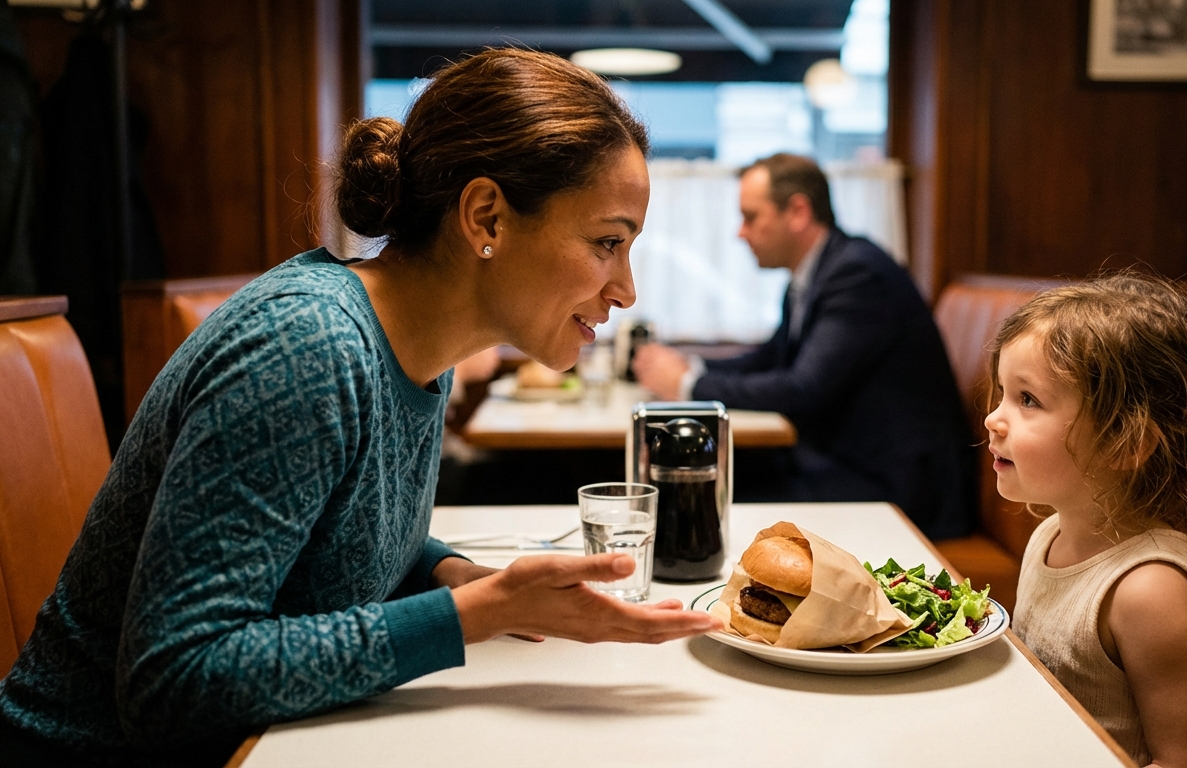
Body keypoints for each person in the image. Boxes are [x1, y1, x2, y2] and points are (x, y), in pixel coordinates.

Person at [0, 49, 718, 767]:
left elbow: (339, 534)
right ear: (486, 217)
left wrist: (449, 574)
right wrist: (476, 614)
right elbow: (171, 684)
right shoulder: (307, 343)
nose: (626, 289)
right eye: (607, 242)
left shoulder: (420, 342)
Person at [633, 153, 975, 539]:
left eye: (751, 217)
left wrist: (688, 385)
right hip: (844, 463)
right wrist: (691, 366)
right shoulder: (817, 273)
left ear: (797, 212)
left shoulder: (857, 274)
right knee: (704, 483)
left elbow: (804, 388)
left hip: (898, 488)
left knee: (709, 495)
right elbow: (770, 358)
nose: (740, 233)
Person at [985, 274, 1187, 766]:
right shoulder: (1049, 535)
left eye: (1027, 399)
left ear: (1126, 443)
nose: (994, 418)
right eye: (1002, 393)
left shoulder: (1148, 592)